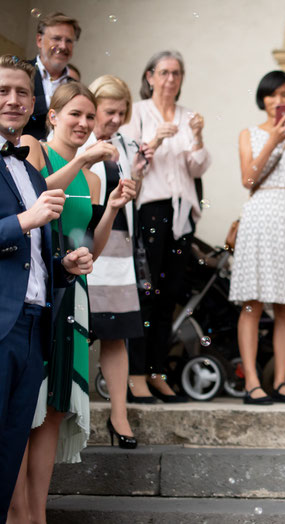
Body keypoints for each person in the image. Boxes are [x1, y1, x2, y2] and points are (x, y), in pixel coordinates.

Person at [12, 82, 135, 523]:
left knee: (53, 407)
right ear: (53, 118)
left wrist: (113, 209)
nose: (84, 124)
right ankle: (17, 511)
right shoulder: (33, 150)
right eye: (75, 115)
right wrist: (81, 158)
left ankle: (37, 512)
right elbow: (29, 196)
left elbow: (91, 250)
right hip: (37, 294)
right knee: (27, 404)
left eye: (90, 117)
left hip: (74, 294)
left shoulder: (90, 176)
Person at [0, 54, 92, 522]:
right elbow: (19, 228)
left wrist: (66, 264)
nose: (13, 101)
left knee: (12, 448)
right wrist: (24, 219)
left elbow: (34, 256)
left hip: (36, 324)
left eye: (21, 93)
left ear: (33, 102)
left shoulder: (30, 171)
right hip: (1, 325)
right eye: (2, 92)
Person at [119, 50, 211, 403]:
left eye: (177, 73)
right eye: (164, 72)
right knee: (146, 294)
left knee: (169, 295)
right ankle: (136, 374)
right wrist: (155, 140)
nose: (171, 79)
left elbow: (198, 167)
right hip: (151, 210)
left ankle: (157, 372)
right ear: (150, 76)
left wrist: (198, 137)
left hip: (182, 214)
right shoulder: (138, 113)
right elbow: (131, 165)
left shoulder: (189, 117)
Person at [229, 70, 285, 405]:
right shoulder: (247, 134)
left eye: (284, 94)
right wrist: (273, 141)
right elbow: (248, 179)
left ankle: (281, 381)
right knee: (252, 301)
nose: (278, 101)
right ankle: (252, 381)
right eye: (271, 95)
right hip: (260, 214)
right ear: (262, 100)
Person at [82, 75, 152, 447]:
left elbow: (125, 193)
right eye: (110, 111)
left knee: (117, 332)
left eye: (122, 112)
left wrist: (135, 176)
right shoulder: (82, 142)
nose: (116, 119)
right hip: (87, 239)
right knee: (81, 329)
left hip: (119, 243)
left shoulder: (123, 143)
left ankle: (119, 416)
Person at [23, 12, 81, 141]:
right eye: (56, 38)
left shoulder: (76, 86)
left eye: (69, 41)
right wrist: (51, 100)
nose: (63, 46)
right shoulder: (20, 72)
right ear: (39, 40)